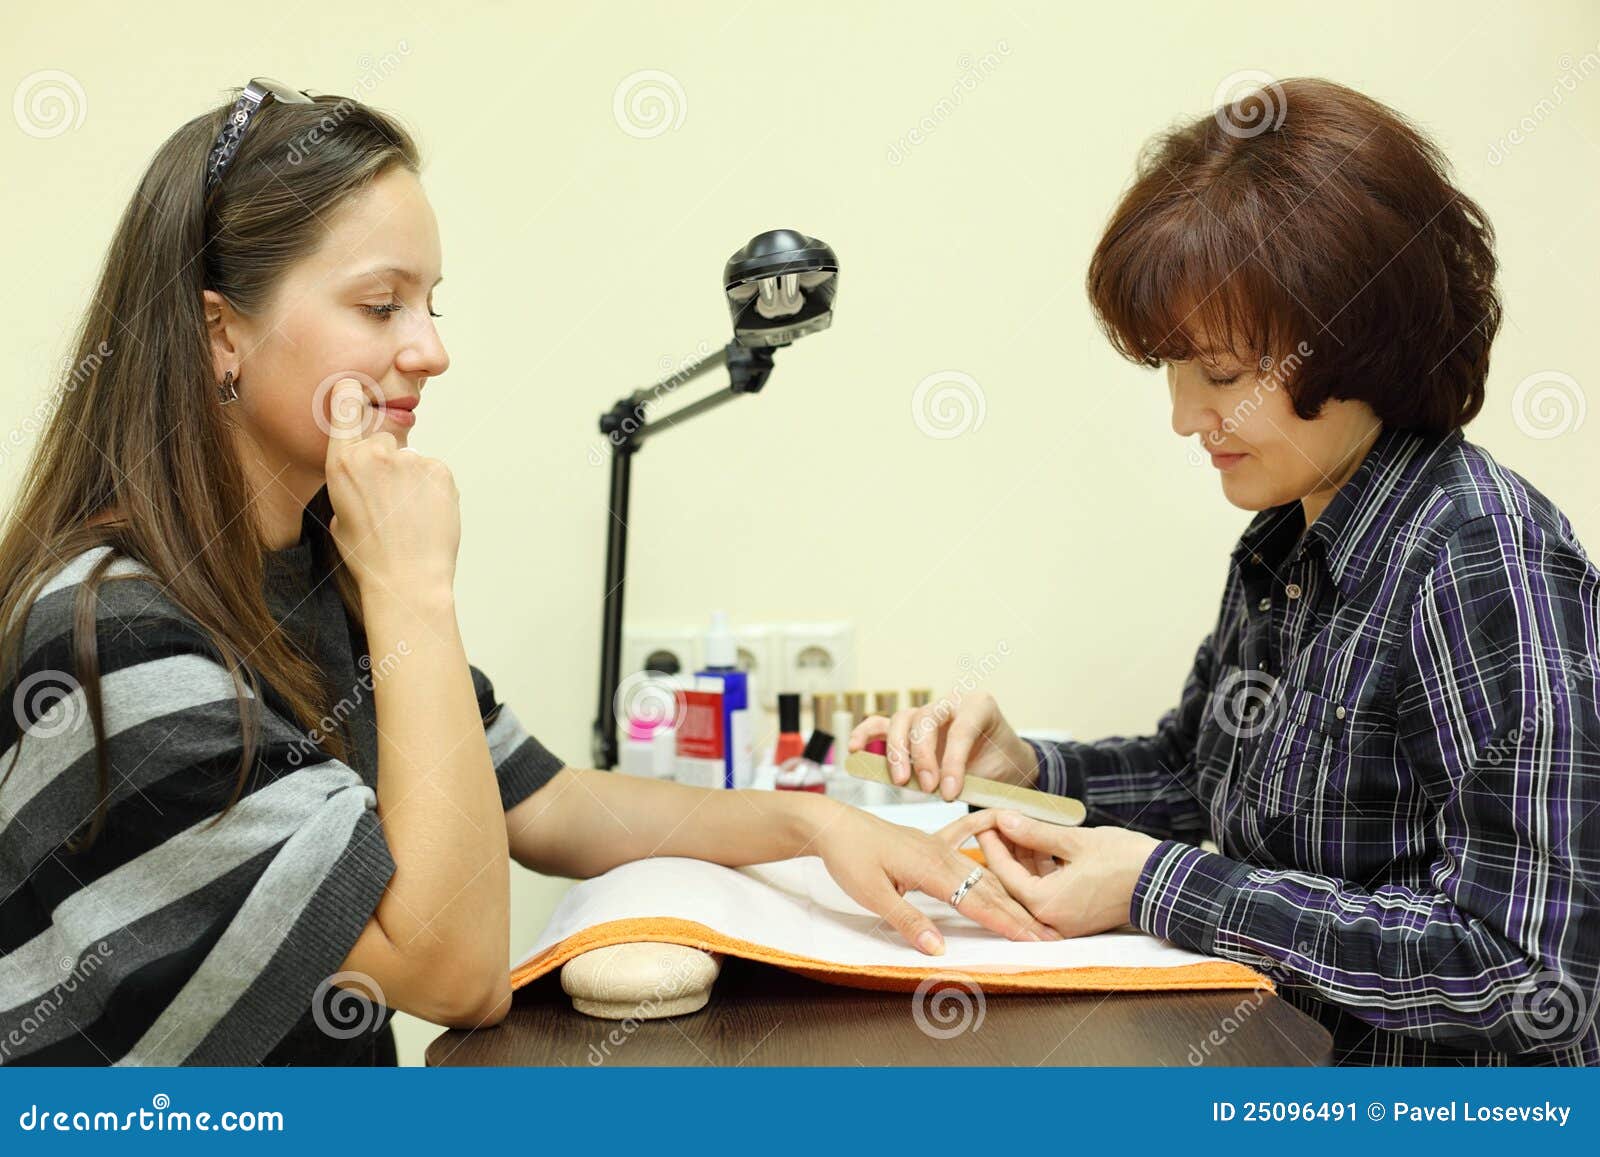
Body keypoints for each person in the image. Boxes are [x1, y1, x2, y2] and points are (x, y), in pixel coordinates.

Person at [0, 80, 1056, 1067]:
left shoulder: (313, 561)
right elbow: (455, 972)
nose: (430, 350)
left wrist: (813, 822)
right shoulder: (117, 634)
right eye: (380, 307)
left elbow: (544, 802)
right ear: (219, 330)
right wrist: (414, 589)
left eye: (432, 304)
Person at [851, 78, 1600, 1066]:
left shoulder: (1479, 560)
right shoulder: (1285, 538)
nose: (1182, 418)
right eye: (1174, 369)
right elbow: (1199, 773)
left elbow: (1528, 969)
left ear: (1358, 340)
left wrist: (1158, 885)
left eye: (1222, 376)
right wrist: (1029, 769)